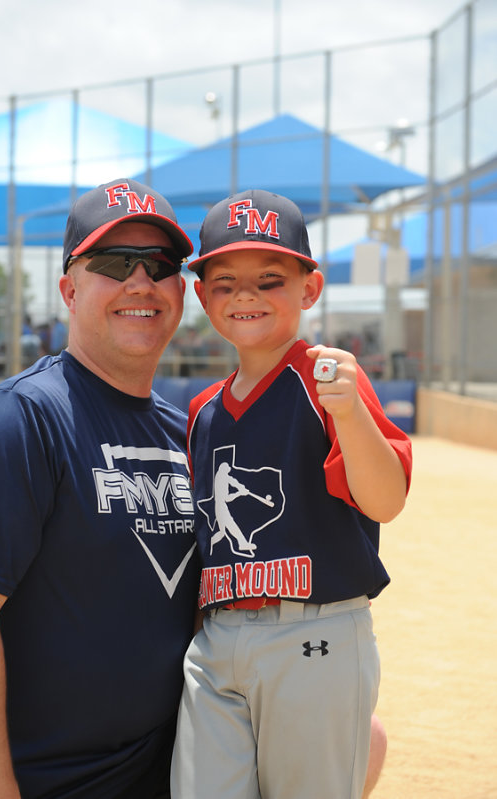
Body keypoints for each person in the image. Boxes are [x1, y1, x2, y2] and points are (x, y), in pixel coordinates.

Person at [170, 189, 412, 799]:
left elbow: (385, 501)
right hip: (219, 637)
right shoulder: (201, 411)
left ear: (310, 288)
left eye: (270, 279)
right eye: (225, 283)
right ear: (202, 296)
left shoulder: (326, 378)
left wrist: (350, 413)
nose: (245, 295)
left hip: (313, 631)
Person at [0, 178, 201, 799]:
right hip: (52, 781)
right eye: (116, 263)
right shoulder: (23, 419)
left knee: (361, 743)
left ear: (181, 290)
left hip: (169, 772)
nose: (141, 282)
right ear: (70, 290)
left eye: (161, 264)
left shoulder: (190, 435)